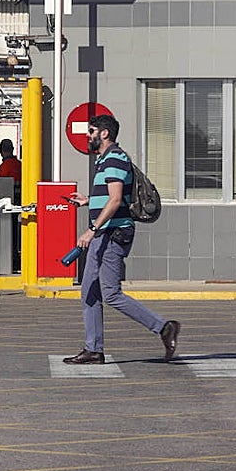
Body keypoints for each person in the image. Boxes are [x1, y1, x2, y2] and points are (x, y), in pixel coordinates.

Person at [63, 114, 180, 365]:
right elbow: (111, 196)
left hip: (112, 234)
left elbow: (116, 200)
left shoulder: (115, 157)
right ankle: (93, 349)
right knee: (89, 291)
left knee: (110, 292)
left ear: (104, 134)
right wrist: (87, 201)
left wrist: (92, 229)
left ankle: (163, 327)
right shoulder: (105, 159)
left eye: (92, 131)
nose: (88, 135)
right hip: (105, 233)